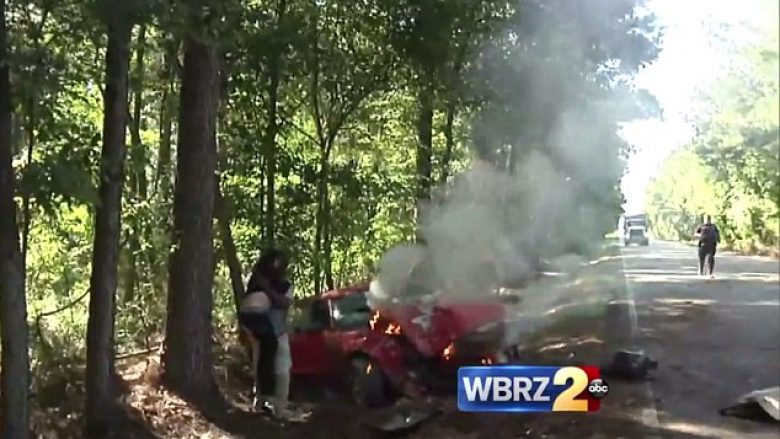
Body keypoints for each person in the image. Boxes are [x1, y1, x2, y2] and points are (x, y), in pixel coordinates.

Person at [240, 248, 308, 422]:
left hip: (278, 332)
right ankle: (262, 402)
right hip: (261, 331)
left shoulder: (284, 286)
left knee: (283, 371)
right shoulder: (257, 283)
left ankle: (280, 408)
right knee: (261, 366)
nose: (276, 268)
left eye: (279, 264)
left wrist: (267, 289)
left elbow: (284, 302)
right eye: (273, 263)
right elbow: (250, 305)